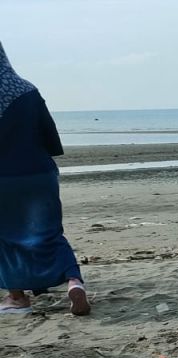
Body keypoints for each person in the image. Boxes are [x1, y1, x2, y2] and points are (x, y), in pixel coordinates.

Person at [0, 42, 90, 316]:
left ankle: (17, 297)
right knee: (50, 233)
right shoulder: (27, 89)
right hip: (39, 174)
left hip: (3, 178)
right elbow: (50, 135)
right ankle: (74, 283)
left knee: (5, 237)